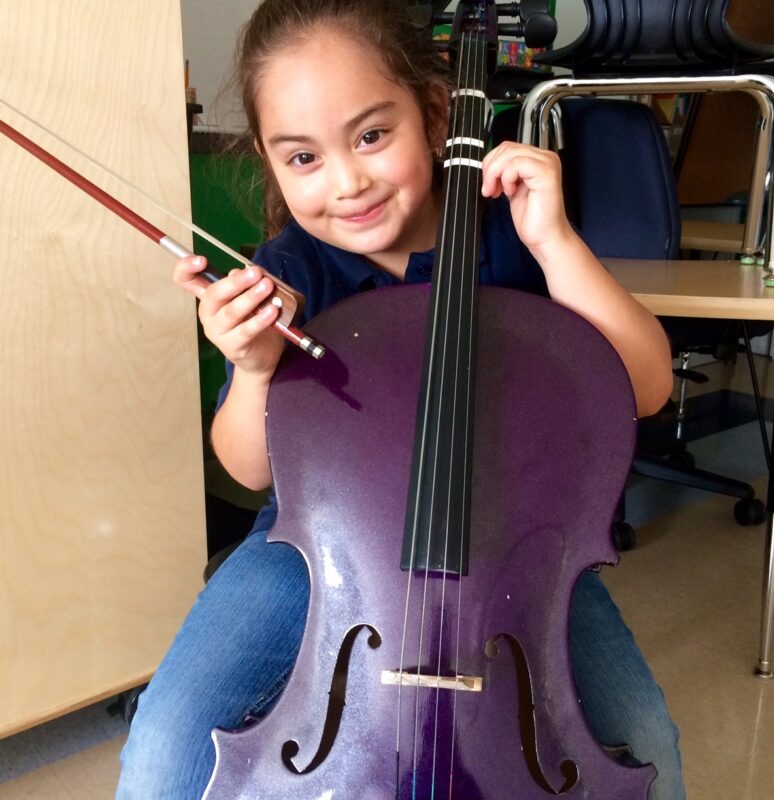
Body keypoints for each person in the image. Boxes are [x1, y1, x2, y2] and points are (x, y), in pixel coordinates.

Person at [117, 0, 683, 797]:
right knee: (164, 750)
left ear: (436, 113)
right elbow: (248, 472)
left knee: (644, 740)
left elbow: (648, 387)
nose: (346, 183)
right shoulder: (290, 273)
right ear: (269, 164)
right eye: (302, 159)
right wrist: (251, 366)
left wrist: (555, 242)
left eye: (372, 136)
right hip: (321, 554)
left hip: (517, 555)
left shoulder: (510, 234)